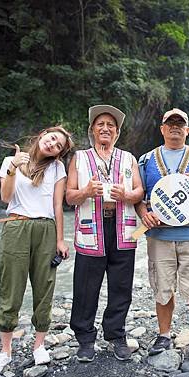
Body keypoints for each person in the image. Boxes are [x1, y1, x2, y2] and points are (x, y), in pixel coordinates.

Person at [0, 126, 73, 376]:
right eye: (52, 139)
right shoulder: (10, 161)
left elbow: (57, 205)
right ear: (43, 135)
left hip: (45, 229)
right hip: (16, 226)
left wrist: (61, 240)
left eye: (58, 147)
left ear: (58, 154)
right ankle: (5, 351)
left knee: (44, 286)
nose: (53, 145)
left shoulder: (57, 168)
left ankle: (39, 345)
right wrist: (13, 167)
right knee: (11, 286)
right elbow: (5, 196)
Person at [137, 108, 189, 355]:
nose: (175, 126)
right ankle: (163, 334)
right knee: (162, 286)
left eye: (180, 123)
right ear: (162, 129)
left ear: (188, 130)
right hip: (159, 236)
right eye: (169, 123)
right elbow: (138, 195)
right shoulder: (145, 160)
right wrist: (144, 214)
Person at [66, 105, 144, 362]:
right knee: (86, 286)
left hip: (123, 228)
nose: (105, 128)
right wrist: (86, 192)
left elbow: (139, 192)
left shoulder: (129, 158)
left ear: (117, 133)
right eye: (100, 124)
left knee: (121, 286)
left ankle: (116, 335)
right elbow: (69, 197)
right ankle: (85, 339)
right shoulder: (80, 158)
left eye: (111, 125)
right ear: (92, 130)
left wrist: (128, 195)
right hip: (91, 229)